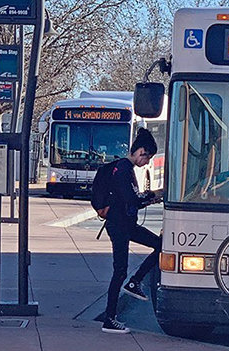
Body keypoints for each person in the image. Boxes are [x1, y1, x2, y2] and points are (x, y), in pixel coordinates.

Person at [101, 128, 162, 334]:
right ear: (141, 151)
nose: (147, 163)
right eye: (148, 157)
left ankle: (135, 282)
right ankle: (109, 319)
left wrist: (149, 197)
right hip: (119, 226)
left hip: (126, 225)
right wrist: (150, 197)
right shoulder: (123, 169)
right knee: (119, 270)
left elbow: (131, 200)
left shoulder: (126, 169)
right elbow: (130, 199)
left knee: (160, 245)